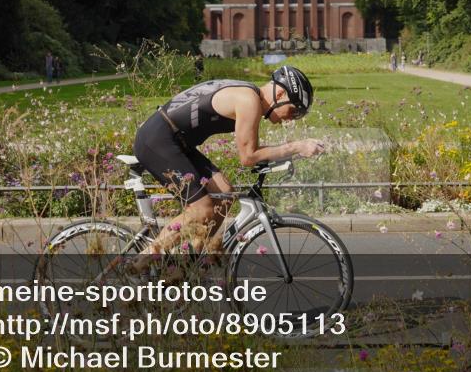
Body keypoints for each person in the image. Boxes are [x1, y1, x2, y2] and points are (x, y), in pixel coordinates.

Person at [132, 65, 326, 261]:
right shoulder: (249, 101)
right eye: (293, 110)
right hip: (157, 139)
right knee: (202, 209)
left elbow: (252, 148)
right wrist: (296, 146)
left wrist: (288, 152)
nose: (290, 119)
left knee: (224, 194)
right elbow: (248, 157)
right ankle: (141, 261)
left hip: (176, 141)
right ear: (281, 93)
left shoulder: (250, 96)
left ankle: (189, 263)